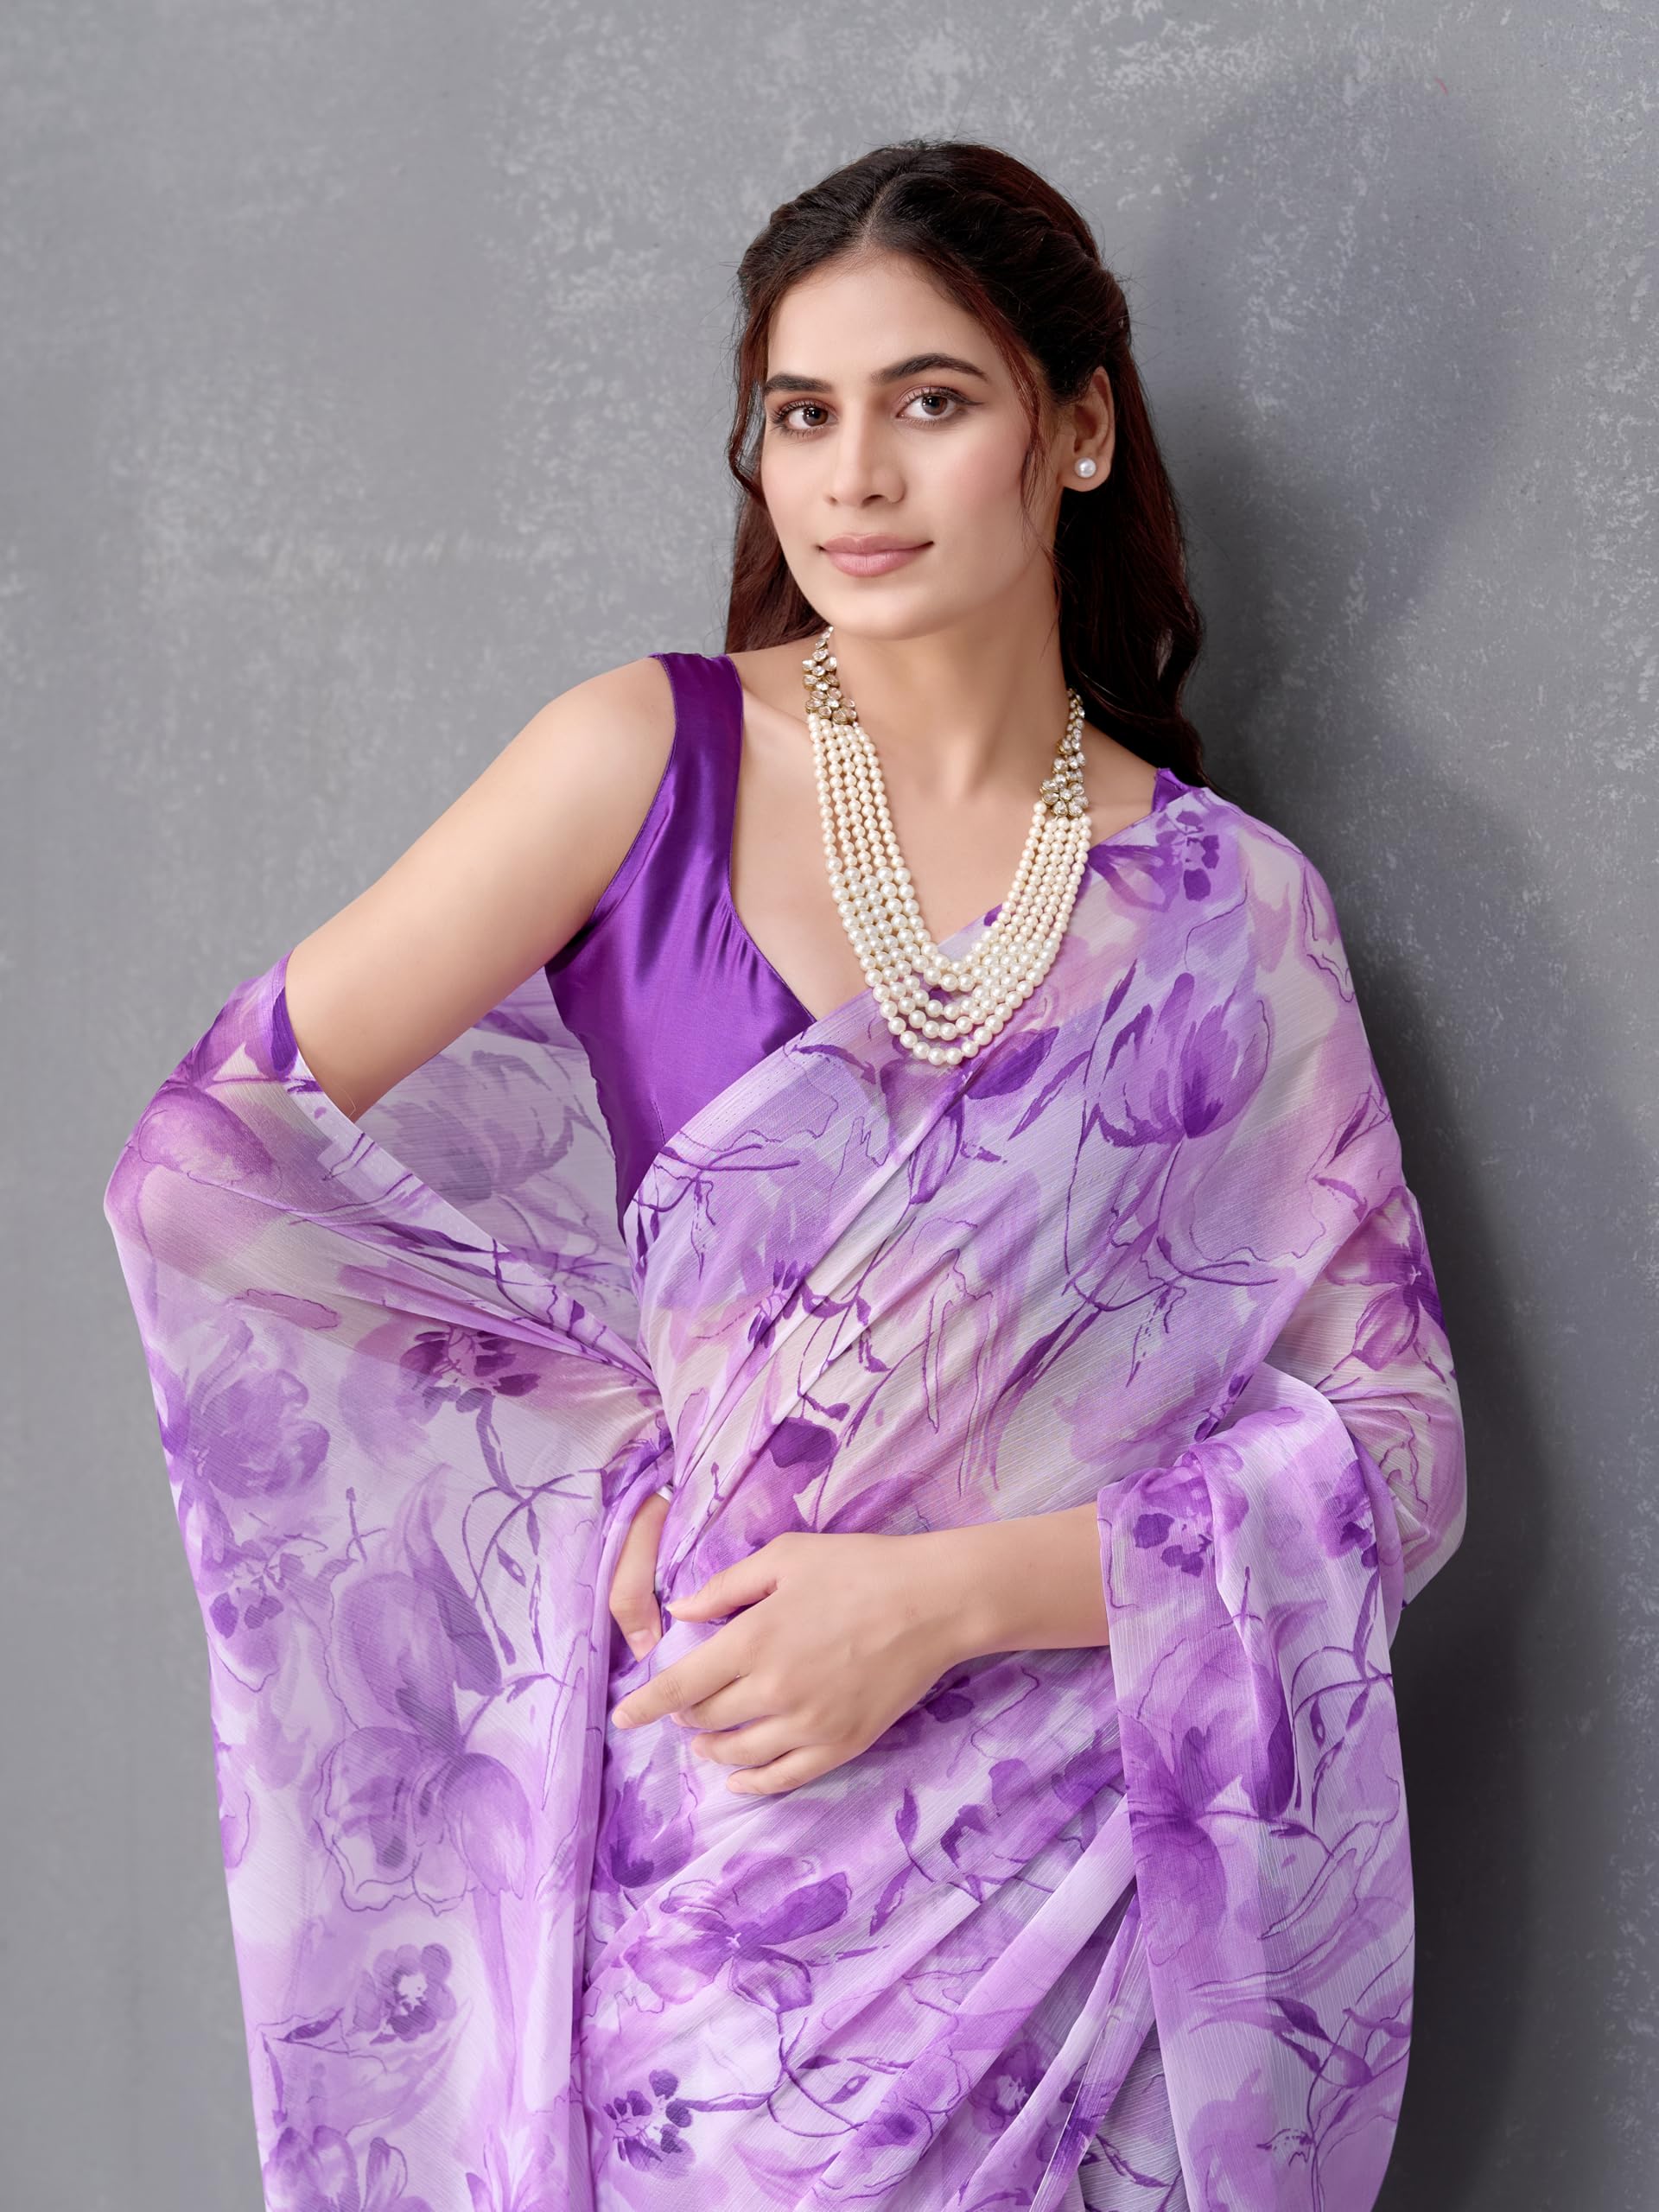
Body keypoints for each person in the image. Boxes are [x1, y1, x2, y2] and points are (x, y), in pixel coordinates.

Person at [104, 139, 1466, 2212]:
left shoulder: (1231, 915)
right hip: (730, 1937)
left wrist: (945, 1602)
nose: (855, 478)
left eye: (932, 400)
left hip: (1093, 1925)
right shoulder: (642, 764)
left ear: (1079, 431)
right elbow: (215, 1157)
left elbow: (1402, 1453)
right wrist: (613, 1466)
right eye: (802, 416)